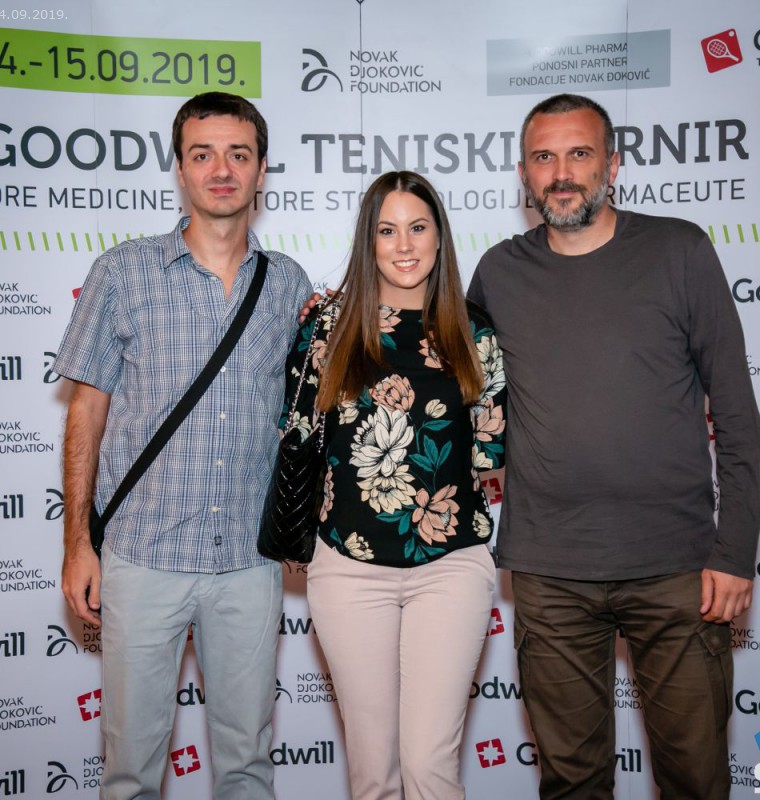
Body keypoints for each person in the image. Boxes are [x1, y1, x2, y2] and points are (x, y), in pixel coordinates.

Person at [467, 94, 760, 799]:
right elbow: (448, 375)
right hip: (550, 570)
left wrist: (734, 551)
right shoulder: (498, 272)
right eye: (544, 157)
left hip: (677, 569)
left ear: (614, 165)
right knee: (572, 782)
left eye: (579, 153)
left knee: (695, 778)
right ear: (524, 174)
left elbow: (736, 410)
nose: (561, 173)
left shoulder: (679, 250)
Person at [53, 92, 313, 800]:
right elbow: (85, 414)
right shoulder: (121, 272)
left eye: (238, 154)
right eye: (203, 155)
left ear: (262, 170)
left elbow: (307, 415)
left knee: (247, 766)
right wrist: (78, 544)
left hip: (249, 565)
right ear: (180, 169)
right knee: (131, 771)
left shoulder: (289, 284)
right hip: (142, 559)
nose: (221, 170)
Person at [284, 171, 507, 800]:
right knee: (372, 771)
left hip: (451, 567)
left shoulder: (475, 331)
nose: (404, 245)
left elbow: (490, 451)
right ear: (369, 241)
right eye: (387, 230)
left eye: (417, 228)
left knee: (430, 766)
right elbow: (297, 436)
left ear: (439, 238)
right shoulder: (326, 327)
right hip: (348, 568)